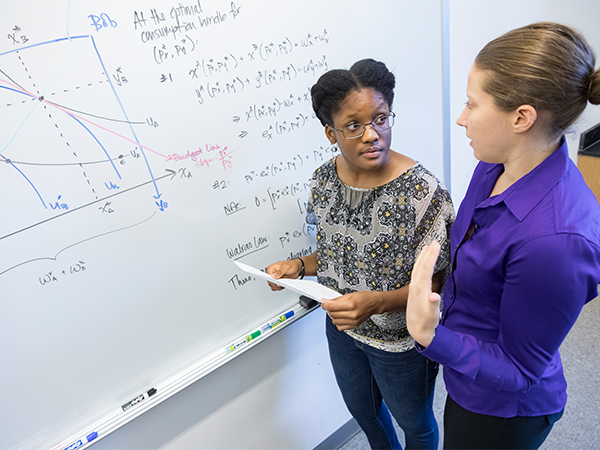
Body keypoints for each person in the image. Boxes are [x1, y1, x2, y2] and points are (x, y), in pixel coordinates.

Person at [407, 22, 600, 450]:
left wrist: (431, 336)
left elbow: (519, 369)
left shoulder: (557, 241)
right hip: (466, 372)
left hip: (501, 409)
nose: (461, 118)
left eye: (471, 105)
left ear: (521, 117)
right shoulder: (493, 165)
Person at [266, 58, 455, 450]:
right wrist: (300, 266)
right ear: (330, 132)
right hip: (342, 328)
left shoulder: (422, 192)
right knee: (365, 414)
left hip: (401, 341)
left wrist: (378, 303)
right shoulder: (323, 179)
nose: (372, 134)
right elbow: (336, 250)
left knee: (415, 425)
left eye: (381, 118)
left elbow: (438, 280)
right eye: (354, 126)